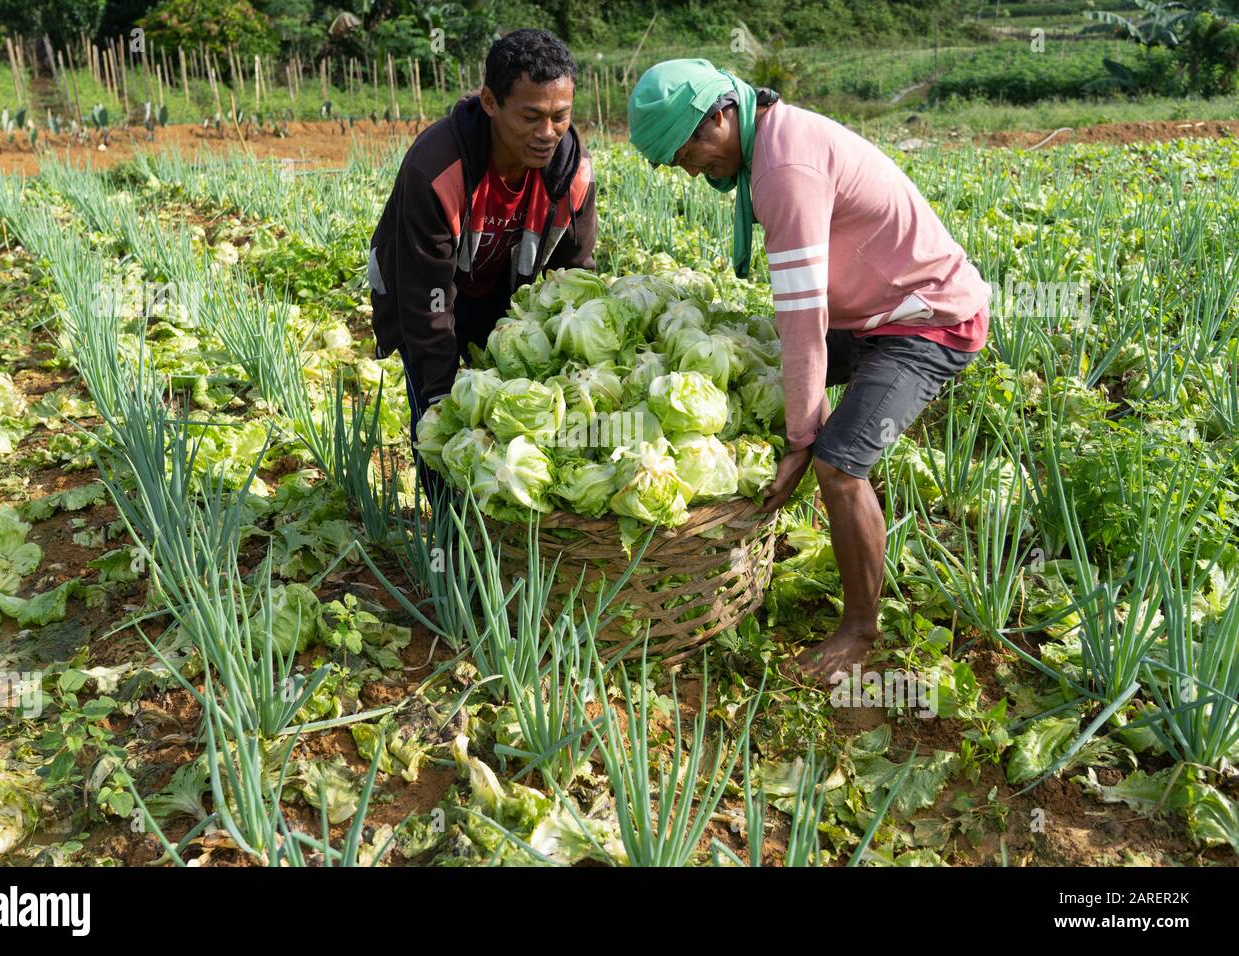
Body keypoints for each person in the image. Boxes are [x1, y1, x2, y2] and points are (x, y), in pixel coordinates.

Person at [628, 59, 990, 681]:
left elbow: (802, 318)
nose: (688, 167)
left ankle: (859, 630)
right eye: (675, 161)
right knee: (764, 380)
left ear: (721, 115)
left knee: (838, 463)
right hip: (872, 312)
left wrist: (803, 440)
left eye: (687, 149)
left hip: (925, 321)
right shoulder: (773, 138)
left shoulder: (784, 169)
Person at [367, 28, 597, 501]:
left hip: (504, 297)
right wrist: (442, 397)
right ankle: (451, 545)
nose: (547, 133)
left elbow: (576, 275)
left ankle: (510, 543)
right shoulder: (434, 170)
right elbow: (426, 303)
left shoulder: (571, 172)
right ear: (490, 102)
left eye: (560, 117)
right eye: (530, 116)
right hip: (429, 296)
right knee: (443, 421)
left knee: (517, 417)